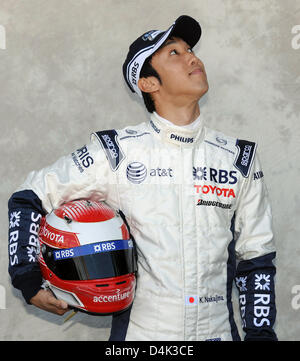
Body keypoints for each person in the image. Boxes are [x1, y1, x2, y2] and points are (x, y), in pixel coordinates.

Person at [8, 15, 277, 341]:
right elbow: (28, 196)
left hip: (218, 333)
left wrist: (260, 335)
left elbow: (256, 259)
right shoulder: (115, 152)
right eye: (174, 53)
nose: (193, 56)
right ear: (148, 83)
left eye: (189, 48)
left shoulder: (238, 158)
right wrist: (27, 277)